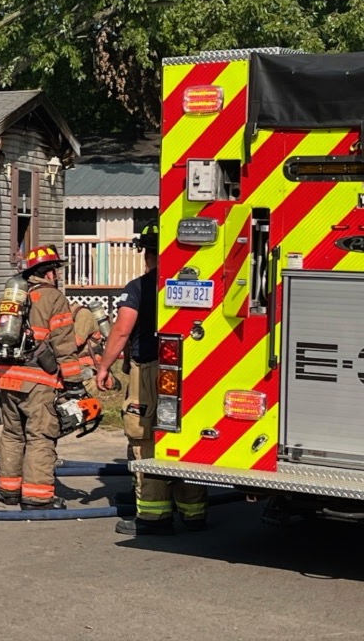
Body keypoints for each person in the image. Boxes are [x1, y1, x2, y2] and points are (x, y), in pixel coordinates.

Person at [96, 223, 207, 535]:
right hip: (189, 372)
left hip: (149, 372)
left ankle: (154, 517)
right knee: (183, 439)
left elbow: (121, 330)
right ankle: (194, 512)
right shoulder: (193, 285)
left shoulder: (140, 287)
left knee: (146, 439)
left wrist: (104, 367)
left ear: (147, 253)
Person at [0, 244, 86, 510]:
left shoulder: (11, 298)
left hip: (6, 378)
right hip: (39, 381)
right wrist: (74, 383)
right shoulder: (54, 298)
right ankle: (37, 497)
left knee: (13, 434)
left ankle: (9, 490)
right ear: (48, 273)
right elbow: (64, 343)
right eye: (55, 271)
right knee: (40, 436)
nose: (57, 276)